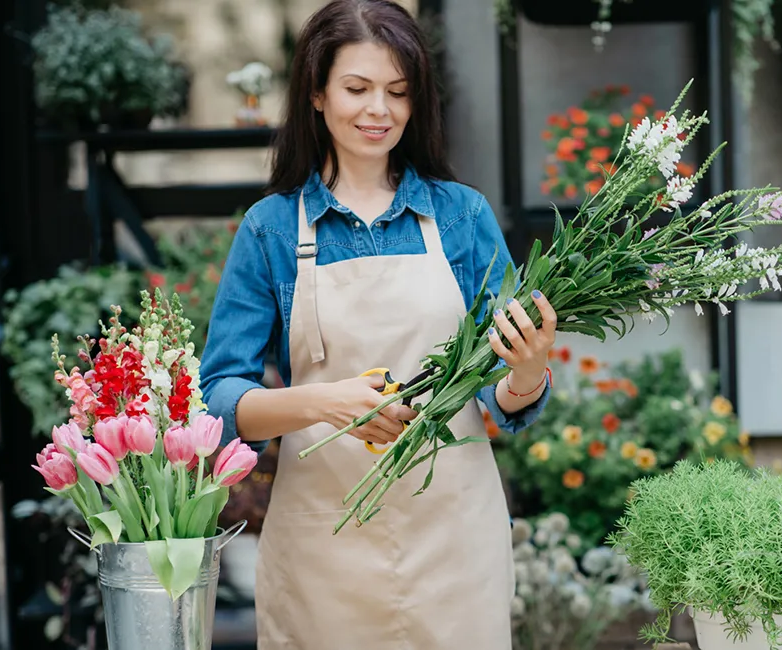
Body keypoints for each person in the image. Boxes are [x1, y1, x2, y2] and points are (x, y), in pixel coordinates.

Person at [198, 1, 556, 648]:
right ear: (315, 93)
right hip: (322, 550)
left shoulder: (461, 218)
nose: (379, 111)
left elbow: (498, 394)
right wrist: (323, 402)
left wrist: (527, 373)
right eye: (357, 89)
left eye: (398, 92)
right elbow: (218, 401)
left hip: (455, 544)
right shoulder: (272, 230)